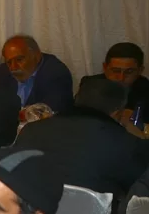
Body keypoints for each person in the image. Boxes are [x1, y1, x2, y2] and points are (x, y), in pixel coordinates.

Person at [14, 76, 149, 203]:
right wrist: (138, 135)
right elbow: (140, 188)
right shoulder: (123, 142)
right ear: (117, 113)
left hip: (32, 213)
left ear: (77, 99)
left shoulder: (31, 130)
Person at [0, 34, 74, 114]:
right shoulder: (3, 72)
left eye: (19, 60)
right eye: (9, 62)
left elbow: (50, 112)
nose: (13, 67)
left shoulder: (55, 73)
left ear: (36, 55)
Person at [77, 42, 148, 117]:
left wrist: (136, 118)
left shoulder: (146, 89)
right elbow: (78, 117)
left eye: (129, 72)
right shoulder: (90, 85)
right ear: (105, 68)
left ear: (140, 70)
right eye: (116, 71)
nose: (121, 78)